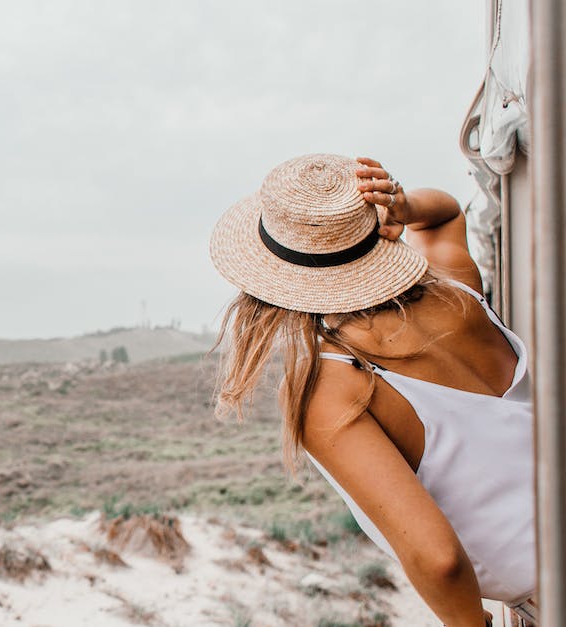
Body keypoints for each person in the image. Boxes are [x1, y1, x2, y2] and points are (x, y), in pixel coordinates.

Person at [207, 153, 535, 626]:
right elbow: (445, 213)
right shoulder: (456, 286)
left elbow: (438, 559)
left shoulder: (329, 385)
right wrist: (402, 204)